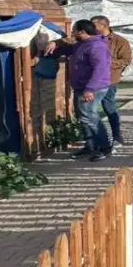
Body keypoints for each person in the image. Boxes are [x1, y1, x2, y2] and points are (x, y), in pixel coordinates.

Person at [49, 20, 114, 161]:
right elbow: (67, 49)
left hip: (93, 88)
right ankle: (90, 146)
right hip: (82, 87)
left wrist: (90, 89)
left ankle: (105, 147)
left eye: (74, 31)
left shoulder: (97, 47)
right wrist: (53, 45)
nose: (72, 33)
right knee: (83, 117)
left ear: (82, 32)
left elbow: (100, 70)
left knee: (89, 116)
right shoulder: (81, 44)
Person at [92, 16, 131, 146]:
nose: (91, 28)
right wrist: (56, 43)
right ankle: (94, 139)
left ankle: (116, 135)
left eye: (94, 25)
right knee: (89, 110)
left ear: (103, 26)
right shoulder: (90, 38)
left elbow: (126, 60)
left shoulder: (120, 41)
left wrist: (105, 63)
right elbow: (72, 40)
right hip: (91, 80)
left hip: (109, 81)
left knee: (109, 108)